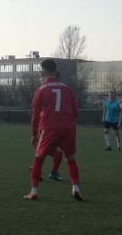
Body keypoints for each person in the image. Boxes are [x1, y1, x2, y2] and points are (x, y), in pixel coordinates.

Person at [25, 59, 83, 200]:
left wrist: (34, 134)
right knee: (71, 159)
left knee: (38, 159)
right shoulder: (67, 89)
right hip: (68, 127)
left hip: (50, 128)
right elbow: (76, 112)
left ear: (41, 72)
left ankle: (34, 192)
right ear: (56, 71)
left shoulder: (41, 90)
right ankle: (75, 188)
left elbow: (35, 116)